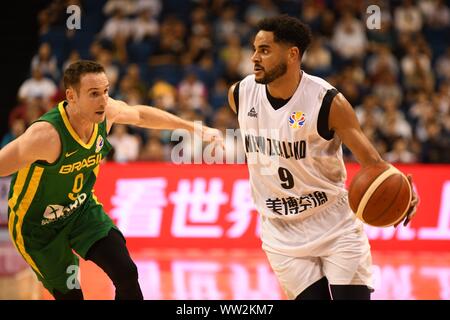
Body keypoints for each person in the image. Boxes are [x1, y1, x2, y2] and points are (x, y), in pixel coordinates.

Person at [227, 15, 419, 300]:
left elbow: (373, 163)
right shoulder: (240, 94)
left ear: (292, 54)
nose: (254, 57)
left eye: (265, 50)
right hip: (280, 229)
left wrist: (401, 190)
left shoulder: (328, 102)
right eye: (254, 49)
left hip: (333, 223)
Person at [0, 60, 221, 300]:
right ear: (71, 96)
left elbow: (140, 115)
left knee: (126, 273)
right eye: (94, 94)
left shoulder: (106, 113)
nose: (104, 100)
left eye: (106, 91)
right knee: (72, 296)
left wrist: (192, 127)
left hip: (81, 211)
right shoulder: (45, 136)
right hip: (37, 227)